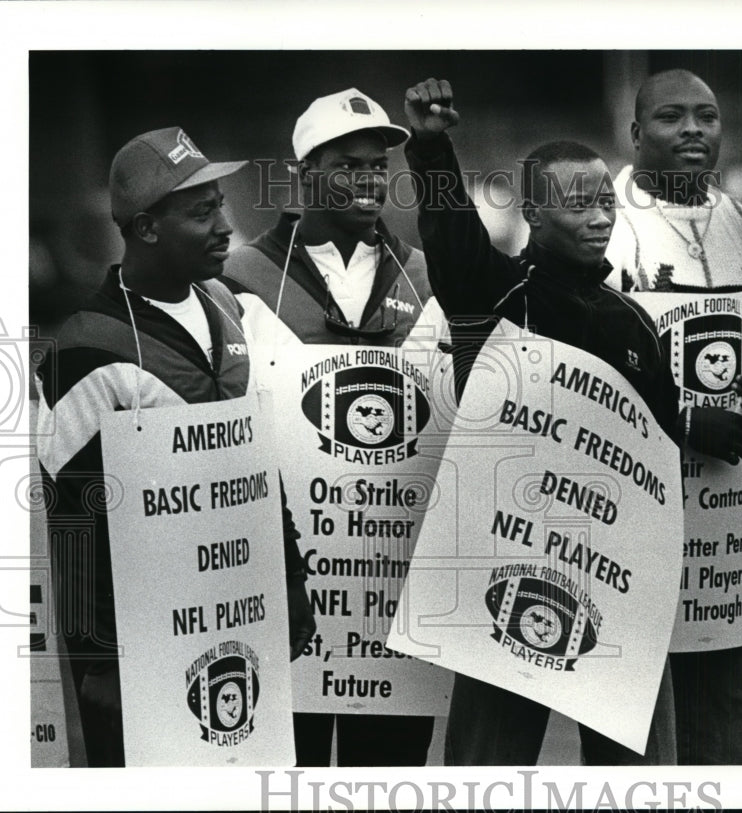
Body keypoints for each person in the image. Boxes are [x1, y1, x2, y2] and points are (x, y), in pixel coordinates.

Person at [402, 77, 742, 766]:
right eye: (575, 204)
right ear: (533, 210)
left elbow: (647, 436)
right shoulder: (493, 292)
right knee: (486, 773)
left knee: (638, 775)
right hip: (505, 571)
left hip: (613, 578)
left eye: (603, 202)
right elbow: (449, 237)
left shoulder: (633, 323)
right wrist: (431, 144)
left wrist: (693, 424)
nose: (597, 217)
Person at [34, 127, 314, 767]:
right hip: (142, 641)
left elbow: (255, 462)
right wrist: (99, 660)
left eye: (221, 204)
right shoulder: (86, 347)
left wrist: (292, 579)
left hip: (235, 614)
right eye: (203, 210)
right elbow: (70, 517)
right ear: (147, 229)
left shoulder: (226, 306)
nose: (227, 225)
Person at [604, 69, 742, 764]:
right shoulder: (604, 224)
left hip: (725, 542)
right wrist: (683, 421)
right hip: (625, 527)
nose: (693, 129)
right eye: (671, 117)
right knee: (625, 735)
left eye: (708, 115)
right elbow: (575, 364)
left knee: (720, 730)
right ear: (636, 133)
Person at [222, 88, 436, 768]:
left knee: (391, 768)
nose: (370, 178)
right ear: (303, 174)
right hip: (291, 576)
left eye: (378, 165)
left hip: (390, 576)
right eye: (348, 164)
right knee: (295, 764)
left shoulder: (422, 275)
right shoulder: (241, 279)